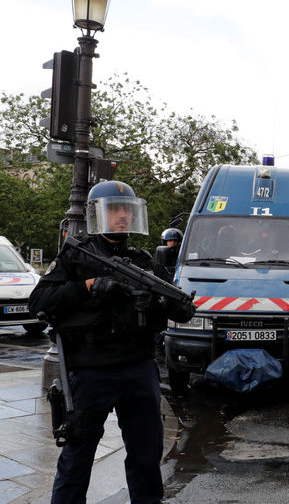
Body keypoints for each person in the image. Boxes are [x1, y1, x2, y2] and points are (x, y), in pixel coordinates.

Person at [28, 180, 195, 504]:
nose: (121, 216)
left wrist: (155, 305)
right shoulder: (76, 256)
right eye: (114, 209)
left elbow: (176, 310)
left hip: (138, 368)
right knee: (77, 456)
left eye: (126, 210)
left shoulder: (143, 261)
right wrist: (89, 287)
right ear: (98, 214)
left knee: (147, 454)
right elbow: (40, 301)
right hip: (91, 370)